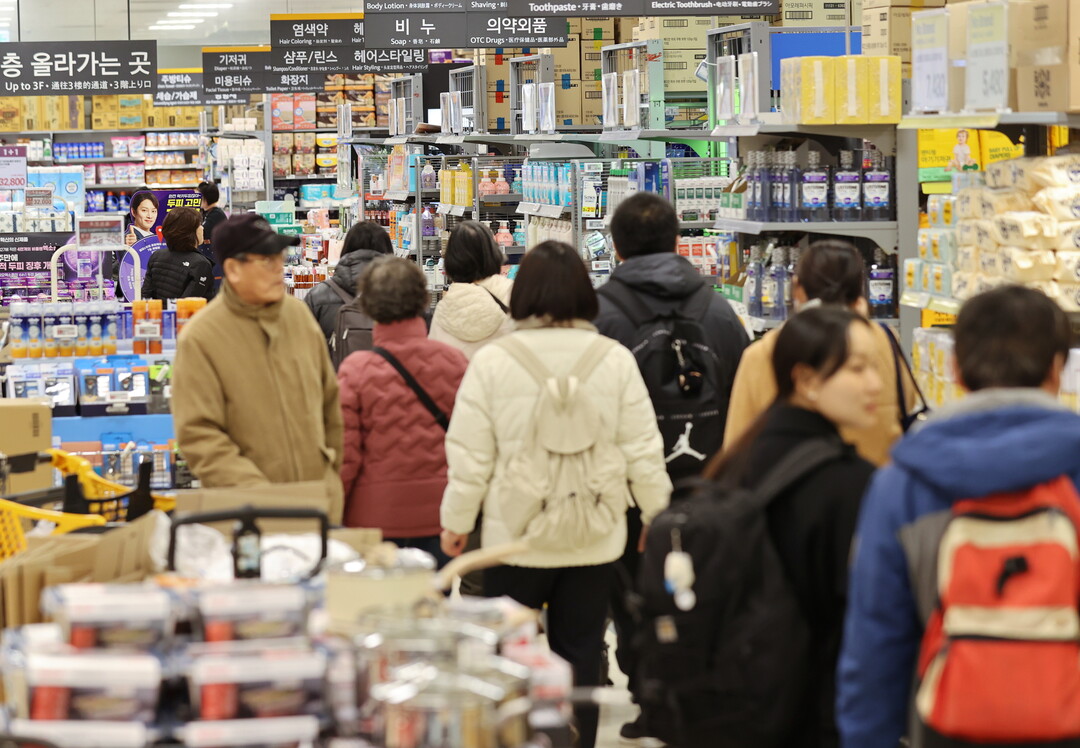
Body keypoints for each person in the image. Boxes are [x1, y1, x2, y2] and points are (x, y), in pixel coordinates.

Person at [440, 241, 672, 748]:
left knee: (512, 654)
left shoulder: (496, 362)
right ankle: (577, 740)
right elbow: (642, 447)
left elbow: (470, 454)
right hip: (594, 533)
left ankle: (518, 738)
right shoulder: (613, 359)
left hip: (513, 536)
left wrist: (456, 523)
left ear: (522, 294)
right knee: (581, 654)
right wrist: (657, 513)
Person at [838, 286, 1080, 748]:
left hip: (946, 723)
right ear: (1057, 368)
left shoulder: (901, 484)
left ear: (955, 368)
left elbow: (875, 649)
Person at [593, 191, 748, 742]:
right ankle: (701, 693)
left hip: (629, 489)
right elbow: (739, 392)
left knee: (632, 596)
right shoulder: (720, 311)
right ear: (677, 239)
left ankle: (648, 697)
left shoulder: (602, 315)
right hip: (707, 486)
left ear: (615, 246)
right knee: (706, 591)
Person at [702, 306, 881, 748]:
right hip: (808, 711)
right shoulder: (847, 483)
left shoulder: (738, 458)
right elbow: (850, 625)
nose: (875, 384)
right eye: (857, 369)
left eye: (875, 366)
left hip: (737, 700)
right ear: (807, 380)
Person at [171, 214, 345, 522]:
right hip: (247, 518)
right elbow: (199, 435)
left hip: (319, 506)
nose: (279, 267)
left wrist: (331, 475)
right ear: (234, 269)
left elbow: (330, 404)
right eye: (266, 260)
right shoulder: (202, 338)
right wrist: (258, 496)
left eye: (280, 257)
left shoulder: (299, 317)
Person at [725, 239, 915, 467]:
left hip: (787, 490)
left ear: (797, 288)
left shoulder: (763, 354)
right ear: (860, 290)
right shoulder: (885, 340)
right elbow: (908, 403)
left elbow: (736, 444)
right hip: (876, 488)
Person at [338, 255, 467, 566]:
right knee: (435, 607)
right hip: (442, 514)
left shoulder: (356, 370)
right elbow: (472, 444)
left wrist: (333, 510)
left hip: (375, 518)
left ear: (368, 304)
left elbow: (346, 456)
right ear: (422, 299)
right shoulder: (455, 362)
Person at [428, 220, 514, 359]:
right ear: (493, 252)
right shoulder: (510, 292)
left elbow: (435, 358)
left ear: (450, 258)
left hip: (459, 379)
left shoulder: (446, 306)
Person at [304, 220, 394, 343]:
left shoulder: (317, 296)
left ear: (346, 249)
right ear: (388, 252)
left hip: (335, 362)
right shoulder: (405, 295)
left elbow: (303, 347)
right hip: (386, 362)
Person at [141, 206, 214, 301]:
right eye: (199, 224)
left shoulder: (157, 256)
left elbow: (145, 296)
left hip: (156, 314)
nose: (202, 228)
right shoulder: (200, 264)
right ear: (189, 231)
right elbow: (187, 304)